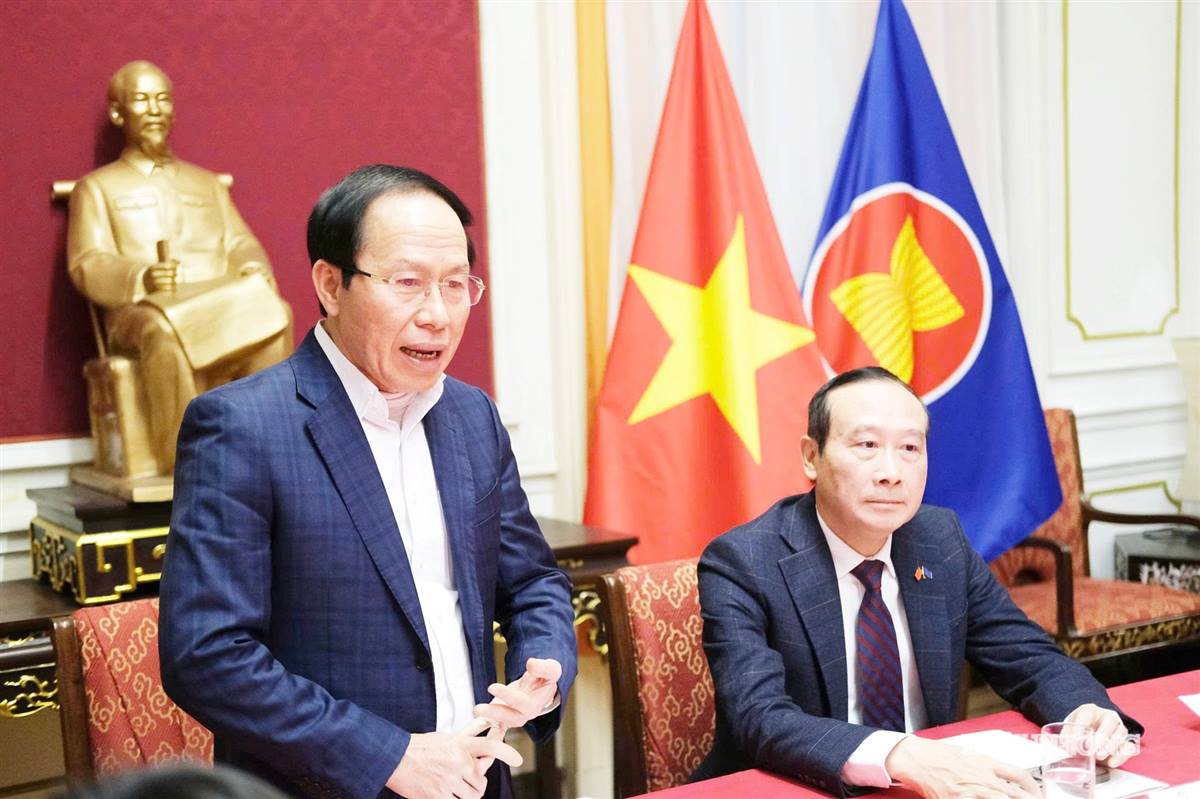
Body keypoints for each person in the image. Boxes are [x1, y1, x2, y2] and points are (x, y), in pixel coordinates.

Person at [159, 164, 577, 799]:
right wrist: (390, 757)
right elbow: (207, 655)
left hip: (477, 782)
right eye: (407, 283)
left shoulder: (472, 416)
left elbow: (532, 583)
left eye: (456, 285)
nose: (437, 315)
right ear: (331, 285)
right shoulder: (243, 427)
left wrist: (541, 668)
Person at [695, 366, 1142, 799]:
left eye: (910, 448)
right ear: (812, 457)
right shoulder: (744, 561)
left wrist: (1084, 710)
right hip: (799, 786)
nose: (891, 472)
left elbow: (1027, 657)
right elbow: (760, 717)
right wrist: (898, 753)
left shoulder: (938, 539)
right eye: (867, 445)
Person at [68, 60, 292, 474]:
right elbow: (87, 261)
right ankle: (187, 461)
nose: (154, 109)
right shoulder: (97, 188)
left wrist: (251, 266)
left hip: (215, 302)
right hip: (142, 311)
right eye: (141, 99)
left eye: (163, 99)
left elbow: (240, 241)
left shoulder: (206, 183)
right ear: (118, 113)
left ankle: (269, 451)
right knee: (162, 331)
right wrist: (141, 276)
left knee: (275, 314)